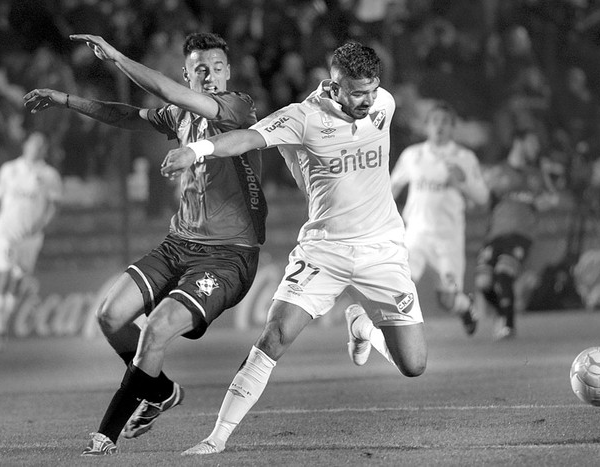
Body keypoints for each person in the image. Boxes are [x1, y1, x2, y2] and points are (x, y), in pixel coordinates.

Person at [160, 41, 427, 456]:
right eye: (358, 92)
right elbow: (247, 138)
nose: (368, 100)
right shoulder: (303, 118)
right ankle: (217, 438)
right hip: (324, 250)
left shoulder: (384, 104)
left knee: (414, 365)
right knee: (275, 335)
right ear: (334, 86)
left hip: (382, 249)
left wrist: (375, 97)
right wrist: (197, 149)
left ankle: (361, 326)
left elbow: (377, 101)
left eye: (372, 90)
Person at [23, 32, 266, 456]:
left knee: (155, 329)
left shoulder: (238, 107)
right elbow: (125, 115)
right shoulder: (179, 116)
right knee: (109, 316)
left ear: (229, 73)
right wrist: (67, 100)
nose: (210, 77)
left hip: (229, 257)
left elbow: (162, 89)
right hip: (179, 244)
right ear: (186, 73)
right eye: (200, 69)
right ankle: (161, 391)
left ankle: (105, 436)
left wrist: (117, 56)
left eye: (218, 68)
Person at [390, 101, 489, 335]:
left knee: (447, 298)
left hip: (448, 239)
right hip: (415, 234)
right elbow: (391, 188)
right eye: (435, 121)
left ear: (453, 128)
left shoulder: (464, 157)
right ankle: (397, 331)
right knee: (402, 279)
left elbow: (483, 196)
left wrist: (464, 181)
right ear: (426, 127)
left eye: (445, 122)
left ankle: (465, 306)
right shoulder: (412, 155)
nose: (439, 126)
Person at [0, 131, 62, 352]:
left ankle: (2, 325)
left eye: (41, 145)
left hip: (31, 238)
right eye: (33, 143)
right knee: (5, 276)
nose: (36, 148)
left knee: (17, 281)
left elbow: (53, 207)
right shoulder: (8, 170)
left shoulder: (49, 175)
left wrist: (42, 226)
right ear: (25, 145)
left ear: (45, 149)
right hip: (6, 232)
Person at [474, 128, 557, 340]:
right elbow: (481, 200)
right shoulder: (497, 172)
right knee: (484, 283)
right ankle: (503, 314)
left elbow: (551, 200)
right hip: (496, 233)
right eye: (533, 143)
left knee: (504, 273)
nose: (536, 149)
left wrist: (545, 179)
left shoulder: (535, 175)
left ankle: (508, 326)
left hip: (521, 234)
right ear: (519, 143)